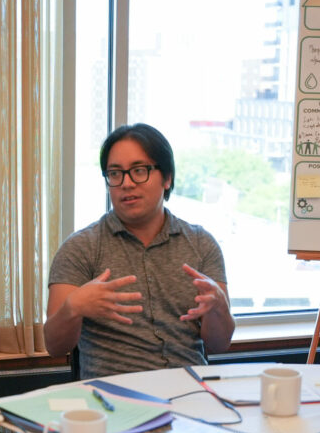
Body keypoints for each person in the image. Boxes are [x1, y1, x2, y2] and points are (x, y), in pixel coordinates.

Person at [45, 123, 234, 378]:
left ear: (167, 178)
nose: (126, 183)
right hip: (114, 394)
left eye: (139, 171)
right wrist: (73, 307)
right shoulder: (80, 248)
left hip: (189, 389)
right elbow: (54, 346)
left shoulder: (202, 244)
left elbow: (220, 344)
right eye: (115, 173)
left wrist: (219, 308)